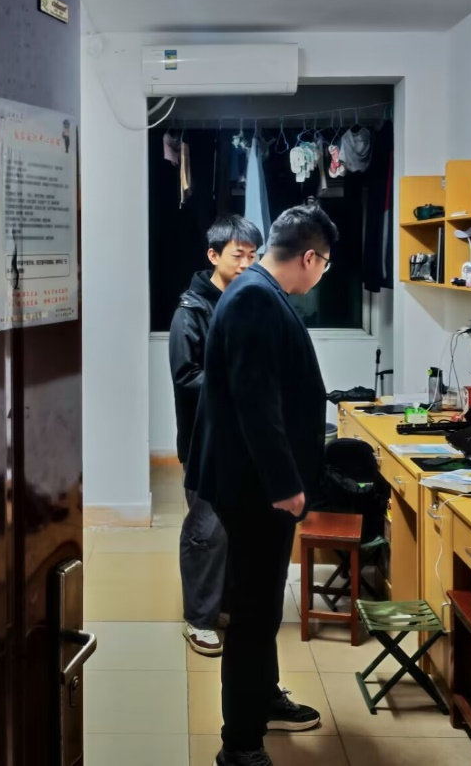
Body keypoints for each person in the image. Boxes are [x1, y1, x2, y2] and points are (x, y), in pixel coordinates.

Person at [186, 203, 339, 766]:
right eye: (324, 265)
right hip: (256, 490)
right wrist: (284, 484)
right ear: (309, 258)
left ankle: (263, 697)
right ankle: (241, 745)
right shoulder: (254, 297)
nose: (321, 275)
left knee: (264, 607)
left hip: (256, 485)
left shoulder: (257, 290)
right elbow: (256, 402)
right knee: (252, 615)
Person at [169, 215, 263, 656]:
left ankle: (220, 606)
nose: (246, 263)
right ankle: (198, 619)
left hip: (241, 437)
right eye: (238, 255)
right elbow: (186, 376)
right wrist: (238, 381)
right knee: (205, 529)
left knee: (233, 527)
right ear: (213, 255)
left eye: (253, 255)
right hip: (203, 441)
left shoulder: (245, 300)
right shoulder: (190, 311)